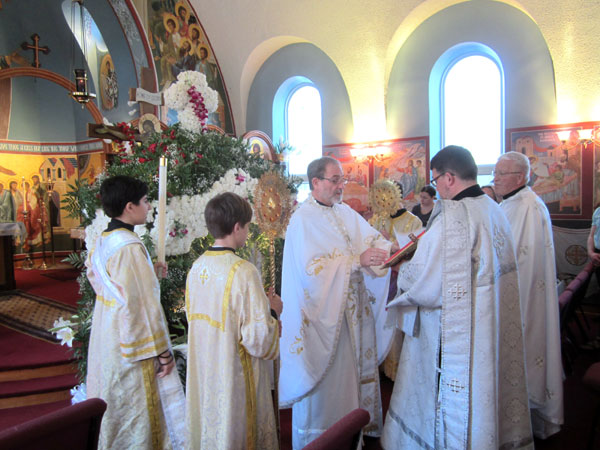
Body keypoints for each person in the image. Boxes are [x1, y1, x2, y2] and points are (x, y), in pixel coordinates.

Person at [381, 145, 533, 450]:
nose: (436, 187)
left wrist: (402, 264)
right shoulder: (492, 207)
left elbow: (427, 283)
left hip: (455, 337)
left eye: (436, 180)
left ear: (449, 177)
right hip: (487, 325)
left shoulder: (454, 217)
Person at [280, 156, 394, 449]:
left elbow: (371, 240)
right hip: (324, 319)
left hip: (352, 315)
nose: (341, 185)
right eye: (335, 180)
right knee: (330, 387)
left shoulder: (344, 212)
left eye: (342, 179)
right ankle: (321, 439)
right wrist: (356, 261)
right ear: (315, 182)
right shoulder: (302, 220)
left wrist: (391, 250)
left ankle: (351, 435)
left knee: (350, 381)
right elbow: (311, 272)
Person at [85, 175, 186, 450]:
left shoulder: (106, 238)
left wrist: (148, 275)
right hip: (130, 344)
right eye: (144, 201)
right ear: (129, 207)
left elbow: (104, 283)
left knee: (116, 404)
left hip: (109, 333)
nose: (149, 205)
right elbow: (140, 307)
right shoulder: (128, 247)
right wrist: (162, 352)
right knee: (138, 409)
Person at [185, 192, 282, 450]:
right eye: (248, 227)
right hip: (236, 375)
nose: (248, 232)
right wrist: (273, 312)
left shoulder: (197, 267)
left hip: (206, 369)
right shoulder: (243, 271)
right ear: (237, 227)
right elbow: (258, 339)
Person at [494, 151, 564, 438]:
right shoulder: (514, 204)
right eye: (495, 173)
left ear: (520, 177)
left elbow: (519, 260)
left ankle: (522, 420)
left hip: (523, 299)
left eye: (501, 174)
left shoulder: (527, 207)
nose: (494, 179)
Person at [368, 179, 422, 381]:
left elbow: (415, 250)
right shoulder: (373, 220)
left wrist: (388, 242)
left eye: (388, 195)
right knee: (377, 321)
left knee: (396, 327)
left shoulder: (412, 221)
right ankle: (379, 365)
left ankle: (395, 371)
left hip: (399, 280)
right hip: (377, 281)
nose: (384, 200)